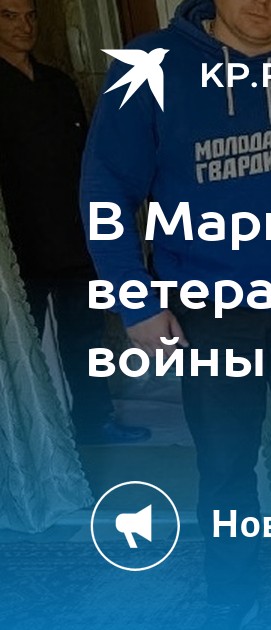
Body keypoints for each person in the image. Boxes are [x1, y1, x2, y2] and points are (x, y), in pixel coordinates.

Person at [79, 0, 271, 627]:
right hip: (210, 312)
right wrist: (135, 301)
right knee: (225, 460)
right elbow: (106, 188)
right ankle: (232, 591)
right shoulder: (150, 66)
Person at [0, 0, 149, 444]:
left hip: (72, 234)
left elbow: (89, 162)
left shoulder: (58, 83)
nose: (24, 26)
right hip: (18, 244)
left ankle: (94, 421)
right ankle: (32, 443)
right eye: (9, 16)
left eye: (30, 15)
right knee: (18, 345)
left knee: (85, 337)